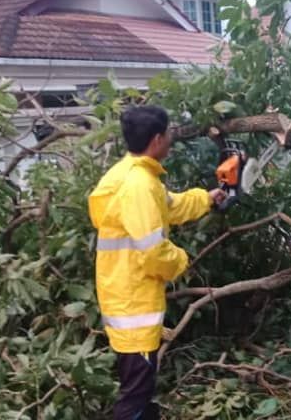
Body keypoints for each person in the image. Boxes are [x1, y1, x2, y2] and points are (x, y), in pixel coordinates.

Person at [88, 105, 227, 419]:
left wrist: (207, 198)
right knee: (135, 396)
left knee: (141, 391)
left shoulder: (134, 174)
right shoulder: (139, 187)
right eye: (168, 134)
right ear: (156, 139)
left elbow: (172, 206)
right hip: (133, 306)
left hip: (126, 297)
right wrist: (181, 260)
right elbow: (153, 253)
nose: (171, 140)